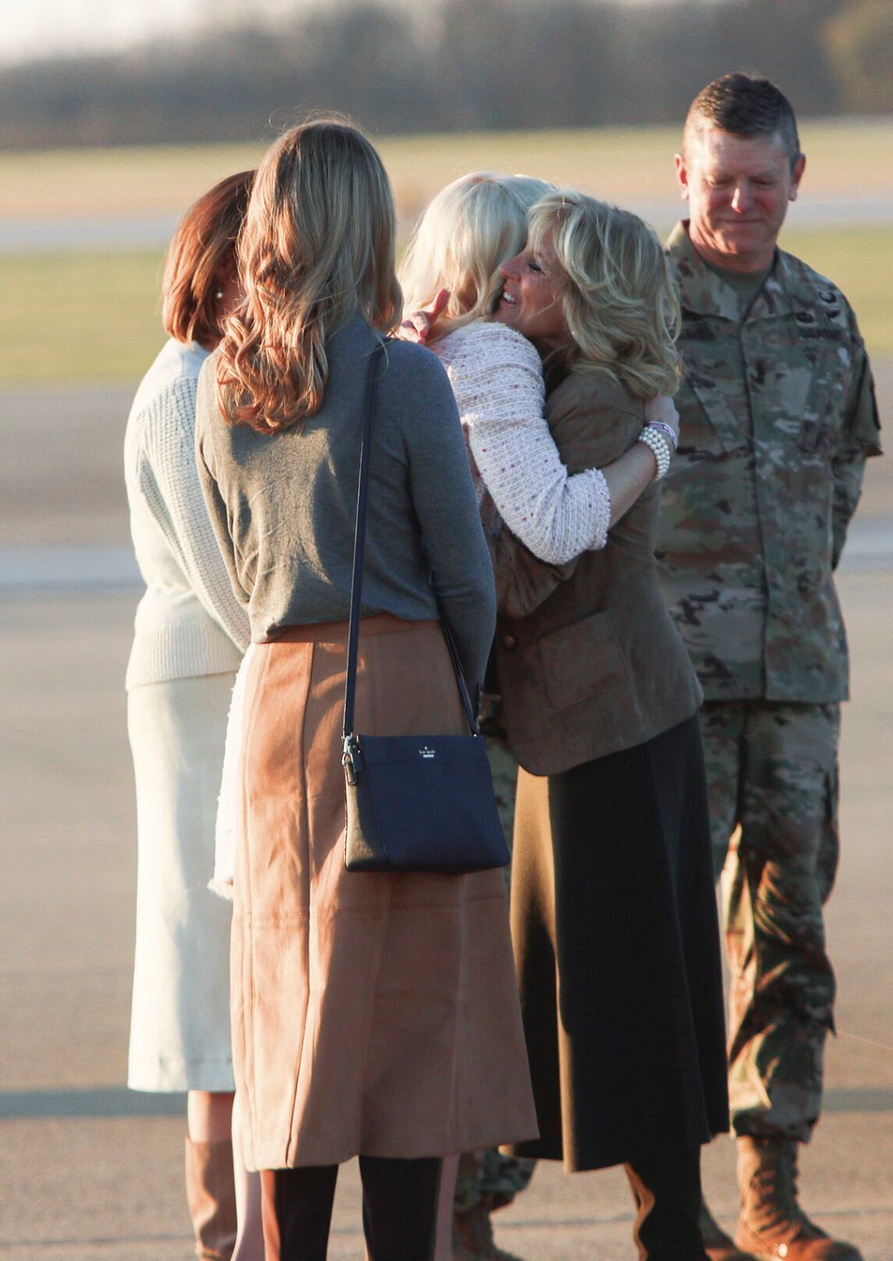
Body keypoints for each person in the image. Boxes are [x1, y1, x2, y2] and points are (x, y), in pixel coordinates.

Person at [195, 118, 537, 1261]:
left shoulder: (221, 389)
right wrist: (458, 687)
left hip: (273, 704)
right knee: (410, 1026)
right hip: (394, 690)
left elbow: (241, 565)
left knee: (293, 1018)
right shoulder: (400, 377)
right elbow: (463, 576)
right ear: (366, 224)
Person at [399, 171, 673, 1261]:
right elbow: (553, 533)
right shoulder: (503, 360)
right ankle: (466, 1210)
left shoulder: (414, 350)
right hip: (495, 704)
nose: (520, 278)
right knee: (510, 973)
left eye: (540, 265)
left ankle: (456, 1210)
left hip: (433, 696)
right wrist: (653, 453)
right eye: (517, 256)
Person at [658, 74, 882, 1261]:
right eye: (719, 180)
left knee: (788, 938)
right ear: (681, 177)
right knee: (659, 948)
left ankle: (769, 1195)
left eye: (763, 181)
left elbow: (837, 485)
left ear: (797, 179)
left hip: (795, 682)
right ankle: (661, 1201)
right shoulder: (626, 307)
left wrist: (773, 598)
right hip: (662, 689)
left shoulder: (825, 315)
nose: (740, 203)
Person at [487, 189, 730, 1260]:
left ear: (583, 298)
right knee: (613, 984)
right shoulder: (568, 385)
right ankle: (662, 1222)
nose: (511, 278)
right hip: (599, 723)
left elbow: (522, 577)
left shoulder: (588, 402)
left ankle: (668, 1228)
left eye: (536, 269)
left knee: (621, 990)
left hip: (607, 730)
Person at [124, 169, 264, 1261]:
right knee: (212, 983)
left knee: (231, 979)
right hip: (208, 679)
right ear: (214, 268)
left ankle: (238, 1234)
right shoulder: (184, 389)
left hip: (211, 674)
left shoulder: (212, 373)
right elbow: (227, 575)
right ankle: (225, 1239)